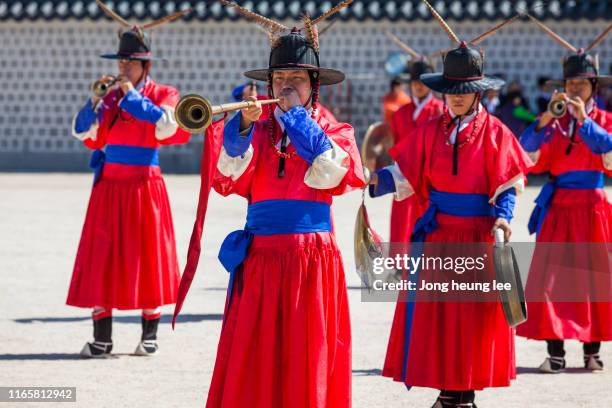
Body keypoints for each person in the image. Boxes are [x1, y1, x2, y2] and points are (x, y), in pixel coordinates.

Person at [203, 3, 365, 407]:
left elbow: (330, 171)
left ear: (314, 83)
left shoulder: (336, 131)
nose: (286, 86)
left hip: (310, 260)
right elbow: (229, 178)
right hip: (259, 257)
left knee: (305, 352)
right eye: (279, 78)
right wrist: (240, 128)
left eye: (296, 78)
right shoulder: (256, 126)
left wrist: (296, 118)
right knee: (254, 355)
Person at [369, 4, 530, 406]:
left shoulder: (496, 132)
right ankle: (448, 393)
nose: (457, 100)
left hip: (477, 236)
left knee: (471, 319)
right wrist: (371, 177)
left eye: (465, 93)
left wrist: (504, 219)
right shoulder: (429, 130)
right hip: (439, 234)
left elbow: (506, 182)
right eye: (451, 93)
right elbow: (406, 172)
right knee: (441, 318)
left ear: (478, 92)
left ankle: (465, 393)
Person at [66, 2, 191, 358]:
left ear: (145, 65)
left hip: (144, 185)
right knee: (102, 256)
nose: (123, 68)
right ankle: (102, 338)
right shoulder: (109, 96)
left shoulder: (163, 93)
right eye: (120, 62)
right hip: (109, 185)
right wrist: (95, 101)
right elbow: (82, 132)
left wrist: (129, 95)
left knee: (146, 254)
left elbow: (167, 125)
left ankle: (149, 333)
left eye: (130, 63)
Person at [516, 18, 612, 373]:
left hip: (592, 207)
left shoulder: (603, 119)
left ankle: (592, 351)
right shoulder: (552, 122)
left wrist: (584, 120)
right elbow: (525, 154)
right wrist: (542, 122)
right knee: (551, 281)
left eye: (581, 83)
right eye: (570, 83)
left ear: (592, 87)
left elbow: (609, 150)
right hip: (558, 207)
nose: (575, 88)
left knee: (594, 279)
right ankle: (555, 353)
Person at [388, 58, 443, 244]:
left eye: (423, 82)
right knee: (402, 230)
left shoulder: (441, 111)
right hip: (403, 180)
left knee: (430, 235)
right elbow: (393, 146)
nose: (418, 86)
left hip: (430, 182)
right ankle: (400, 270)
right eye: (414, 82)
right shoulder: (400, 114)